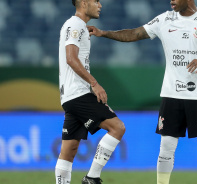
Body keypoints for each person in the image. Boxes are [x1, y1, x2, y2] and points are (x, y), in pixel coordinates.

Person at [88, 0, 197, 183]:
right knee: (166, 146)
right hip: (171, 94)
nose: (171, 1)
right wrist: (104, 33)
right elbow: (135, 33)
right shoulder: (164, 19)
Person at [56, 0, 126, 184]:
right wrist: (94, 83)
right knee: (117, 127)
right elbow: (71, 58)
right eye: (96, 1)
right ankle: (92, 177)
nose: (100, 5)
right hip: (78, 93)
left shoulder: (78, 26)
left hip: (71, 95)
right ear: (84, 3)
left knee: (69, 150)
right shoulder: (75, 25)